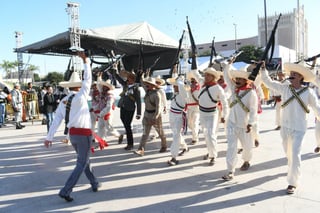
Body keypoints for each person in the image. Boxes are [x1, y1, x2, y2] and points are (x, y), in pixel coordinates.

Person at [44, 52, 100, 202]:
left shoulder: (63, 101)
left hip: (73, 135)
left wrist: (49, 137)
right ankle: (66, 190)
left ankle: (94, 183)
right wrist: (86, 61)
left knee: (85, 160)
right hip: (83, 135)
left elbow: (56, 121)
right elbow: (88, 78)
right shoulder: (82, 95)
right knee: (82, 162)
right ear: (79, 86)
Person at [260, 61, 320, 194]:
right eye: (291, 73)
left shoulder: (308, 92)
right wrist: (263, 69)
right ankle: (291, 168)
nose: (291, 75)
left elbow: (317, 108)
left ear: (300, 77)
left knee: (295, 153)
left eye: (295, 74)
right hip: (285, 127)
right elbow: (268, 82)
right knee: (288, 154)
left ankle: (293, 182)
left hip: (299, 128)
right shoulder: (285, 88)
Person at [221, 63, 258, 181]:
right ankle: (230, 170)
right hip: (231, 122)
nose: (237, 80)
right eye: (236, 78)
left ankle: (246, 160)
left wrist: (251, 123)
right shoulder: (233, 88)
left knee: (247, 147)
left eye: (240, 79)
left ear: (246, 80)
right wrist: (228, 65)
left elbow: (253, 110)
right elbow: (226, 76)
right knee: (231, 147)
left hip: (244, 124)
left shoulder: (251, 93)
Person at [198, 67, 228, 166]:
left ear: (213, 77)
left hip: (212, 114)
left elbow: (224, 103)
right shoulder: (203, 85)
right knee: (206, 135)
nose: (205, 77)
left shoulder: (218, 88)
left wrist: (224, 115)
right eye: (205, 75)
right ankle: (210, 151)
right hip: (202, 114)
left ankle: (213, 156)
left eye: (208, 75)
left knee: (211, 135)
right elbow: (195, 73)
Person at [134, 76, 167, 156]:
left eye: (148, 84)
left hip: (155, 116)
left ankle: (164, 145)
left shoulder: (157, 94)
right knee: (145, 133)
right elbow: (142, 83)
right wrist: (140, 75)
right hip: (146, 115)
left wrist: (154, 118)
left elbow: (158, 108)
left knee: (160, 133)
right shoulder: (148, 91)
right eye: (146, 84)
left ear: (153, 85)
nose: (146, 85)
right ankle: (141, 149)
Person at [113, 69, 142, 150]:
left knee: (127, 125)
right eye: (127, 78)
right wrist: (115, 73)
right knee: (123, 121)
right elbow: (119, 79)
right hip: (123, 106)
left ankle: (130, 143)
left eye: (129, 78)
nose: (127, 79)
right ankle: (126, 137)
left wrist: (138, 113)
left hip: (130, 108)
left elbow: (139, 101)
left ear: (133, 79)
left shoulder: (136, 89)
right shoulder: (125, 85)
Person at [166, 76, 189, 165]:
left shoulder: (183, 95)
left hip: (178, 117)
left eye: (176, 86)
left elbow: (182, 89)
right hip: (172, 115)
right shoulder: (176, 94)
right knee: (177, 135)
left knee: (175, 137)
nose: (174, 87)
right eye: (174, 86)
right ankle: (185, 147)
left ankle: (173, 157)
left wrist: (180, 81)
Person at [97, 78, 123, 144]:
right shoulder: (102, 94)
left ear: (108, 88)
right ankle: (101, 141)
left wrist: (101, 113)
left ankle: (119, 135)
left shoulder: (110, 96)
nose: (103, 88)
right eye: (103, 86)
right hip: (101, 112)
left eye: (105, 87)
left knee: (109, 127)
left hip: (107, 113)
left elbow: (108, 107)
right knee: (100, 127)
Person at [185, 70, 201, 145]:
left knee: (194, 123)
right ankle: (197, 130)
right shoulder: (188, 88)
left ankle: (195, 138)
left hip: (196, 108)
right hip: (189, 108)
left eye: (194, 80)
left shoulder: (200, 89)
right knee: (189, 124)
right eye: (192, 80)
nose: (193, 82)